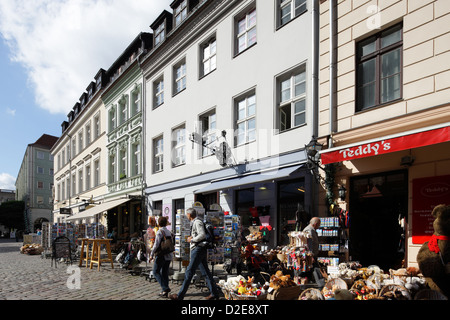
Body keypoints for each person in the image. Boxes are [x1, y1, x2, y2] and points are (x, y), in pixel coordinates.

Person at [169, 208, 219, 300]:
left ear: (189, 215)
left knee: (189, 272)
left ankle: (180, 296)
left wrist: (192, 239)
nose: (186, 216)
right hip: (199, 249)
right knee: (205, 273)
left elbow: (202, 235)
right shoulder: (196, 222)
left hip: (198, 249)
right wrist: (193, 237)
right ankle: (214, 293)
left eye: (187, 215)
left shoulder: (197, 222)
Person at [150, 216, 173, 298]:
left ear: (158, 223)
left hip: (161, 255)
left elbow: (156, 244)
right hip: (169, 255)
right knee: (164, 273)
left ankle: (165, 288)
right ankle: (164, 292)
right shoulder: (168, 231)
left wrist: (151, 254)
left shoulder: (160, 231)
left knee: (155, 271)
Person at [302, 217, 325, 288]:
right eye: (318, 224)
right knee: (316, 270)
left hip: (312, 254)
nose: (319, 226)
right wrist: (310, 255)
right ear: (315, 224)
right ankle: (321, 285)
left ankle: (309, 285)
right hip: (311, 255)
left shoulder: (312, 230)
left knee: (311, 270)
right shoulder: (309, 230)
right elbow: (308, 244)